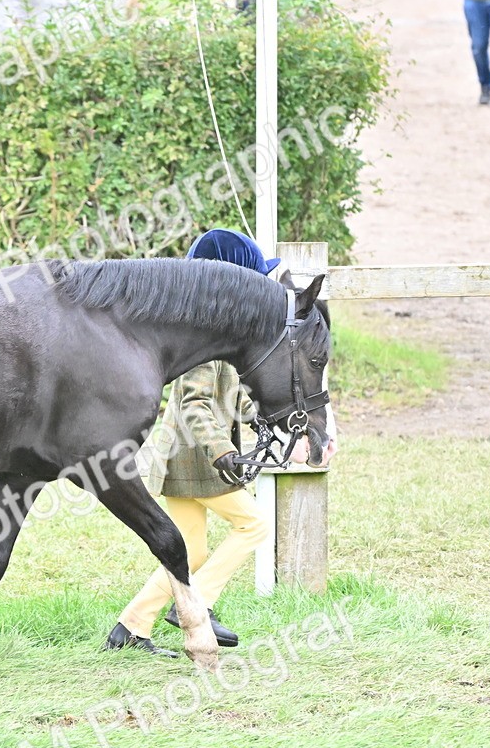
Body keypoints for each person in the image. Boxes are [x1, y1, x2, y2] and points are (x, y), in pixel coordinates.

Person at [105, 229, 336, 656]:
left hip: (186, 458)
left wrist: (260, 417)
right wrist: (223, 451)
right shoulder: (208, 333)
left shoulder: (230, 332)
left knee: (190, 550)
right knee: (254, 525)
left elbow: (228, 396)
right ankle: (198, 604)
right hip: (196, 456)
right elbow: (193, 403)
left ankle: (130, 628)